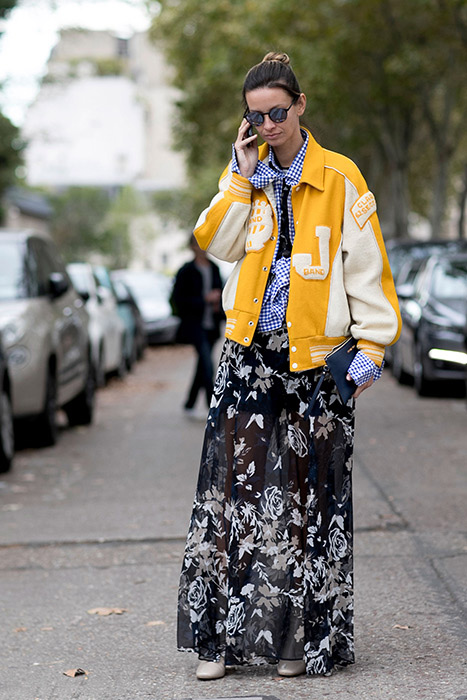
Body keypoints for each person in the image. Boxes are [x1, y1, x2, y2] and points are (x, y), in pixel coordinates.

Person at [177, 52, 401, 680]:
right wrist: (239, 175)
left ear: (300, 105)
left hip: (318, 363)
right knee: (231, 495)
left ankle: (296, 641)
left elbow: (368, 270)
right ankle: (220, 643)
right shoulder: (246, 175)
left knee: (310, 500)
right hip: (248, 356)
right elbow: (213, 241)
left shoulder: (340, 177)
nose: (268, 124)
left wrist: (372, 350)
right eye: (256, 116)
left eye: (278, 112)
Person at [171, 234, 224, 413]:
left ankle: (190, 402)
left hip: (212, 325)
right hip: (195, 326)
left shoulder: (215, 268)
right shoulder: (186, 271)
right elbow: (177, 300)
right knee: (207, 364)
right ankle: (213, 407)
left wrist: (218, 304)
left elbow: (223, 294)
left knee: (203, 363)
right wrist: (204, 300)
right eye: (198, 244)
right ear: (192, 247)